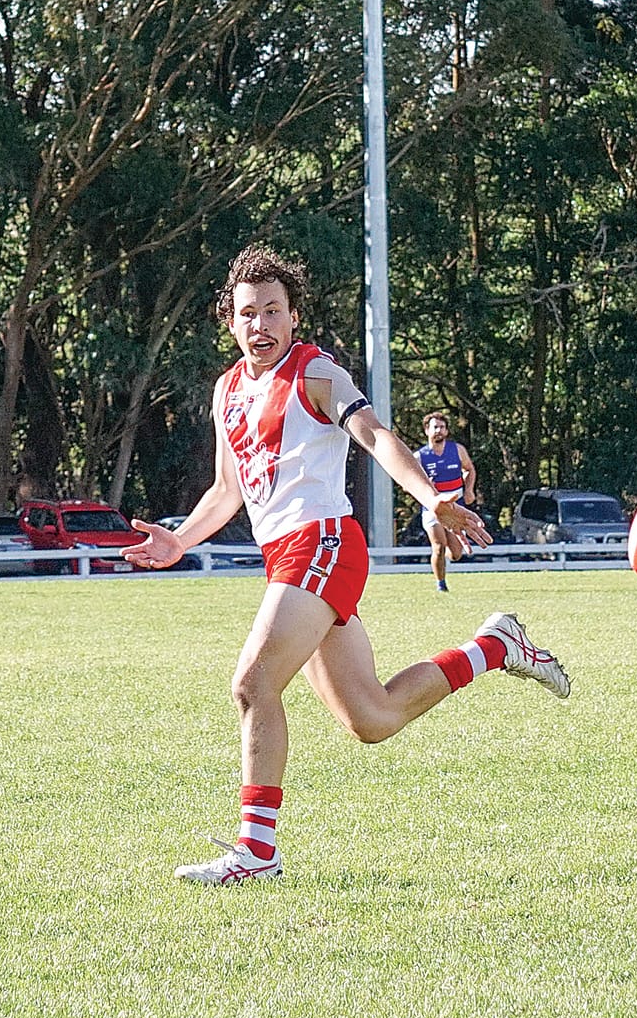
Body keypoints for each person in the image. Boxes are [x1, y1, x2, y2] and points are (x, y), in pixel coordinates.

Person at [123, 245, 569, 885]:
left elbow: (377, 435)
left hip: (324, 544)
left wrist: (431, 498)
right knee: (373, 718)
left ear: (293, 316)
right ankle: (495, 647)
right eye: (248, 313)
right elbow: (226, 490)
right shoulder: (227, 391)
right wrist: (179, 540)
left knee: (252, 685)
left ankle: (256, 853)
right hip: (286, 558)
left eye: (273, 310)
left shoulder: (316, 373)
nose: (260, 324)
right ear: (230, 321)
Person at [416, 411, 477, 592]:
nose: (439, 431)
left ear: (447, 431)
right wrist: (425, 488)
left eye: (442, 427)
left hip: (455, 506)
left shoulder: (457, 450)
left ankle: (445, 559)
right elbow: (409, 483)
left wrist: (469, 490)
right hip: (432, 508)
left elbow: (469, 469)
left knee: (456, 554)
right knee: (439, 546)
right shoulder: (419, 456)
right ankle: (441, 584)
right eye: (435, 427)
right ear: (427, 430)